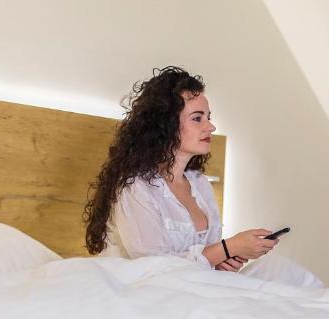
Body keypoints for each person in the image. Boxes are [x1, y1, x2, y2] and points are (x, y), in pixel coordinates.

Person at [84, 67, 276, 272]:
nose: (211, 126)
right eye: (197, 118)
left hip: (194, 288)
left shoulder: (200, 183)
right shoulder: (135, 188)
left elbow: (204, 260)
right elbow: (153, 269)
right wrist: (229, 247)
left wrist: (222, 260)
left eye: (208, 117)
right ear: (165, 125)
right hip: (148, 293)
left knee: (278, 268)